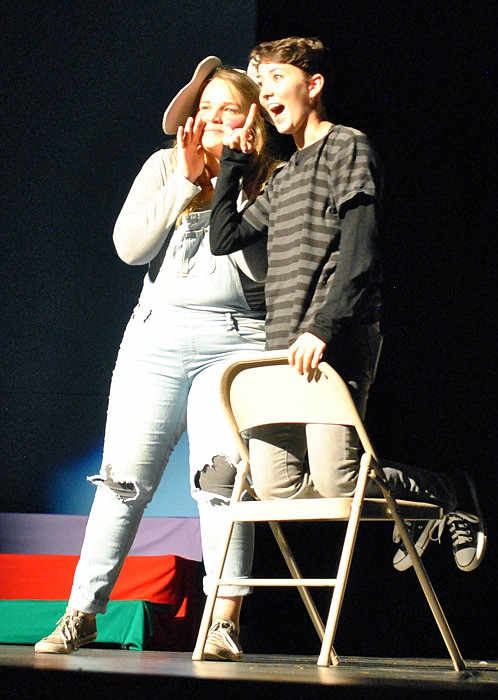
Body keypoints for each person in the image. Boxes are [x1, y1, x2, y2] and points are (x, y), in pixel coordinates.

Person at [208, 37, 487, 577]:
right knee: (275, 487)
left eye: (275, 81)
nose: (265, 94)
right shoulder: (285, 173)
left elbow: (361, 250)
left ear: (313, 86)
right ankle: (418, 508)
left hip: (331, 339)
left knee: (338, 482)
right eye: (260, 86)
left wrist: (325, 327)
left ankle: (448, 494)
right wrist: (236, 161)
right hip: (281, 347)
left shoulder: (348, 147)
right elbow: (226, 237)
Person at [34, 56, 277, 662]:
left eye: (229, 109)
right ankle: (82, 613)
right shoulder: (165, 164)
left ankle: (222, 620)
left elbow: (262, 272)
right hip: (156, 338)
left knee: (222, 484)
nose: (215, 118)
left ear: (252, 118)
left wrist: (230, 185)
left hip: (236, 340)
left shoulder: (272, 176)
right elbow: (129, 247)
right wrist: (184, 185)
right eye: (206, 109)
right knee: (121, 481)